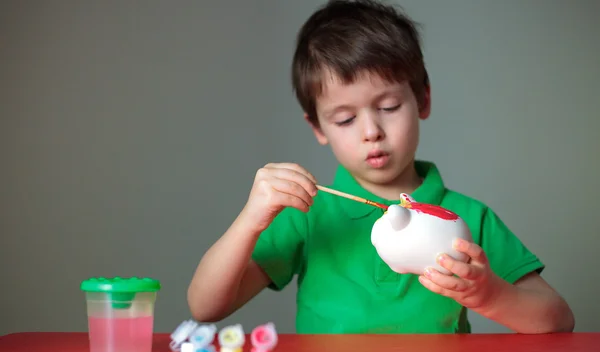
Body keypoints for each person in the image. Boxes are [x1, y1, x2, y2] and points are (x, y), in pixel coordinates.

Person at [187, 0, 574, 334]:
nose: (372, 131)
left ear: (422, 100)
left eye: (388, 108)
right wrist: (251, 219)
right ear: (318, 127)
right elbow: (205, 307)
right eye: (344, 119)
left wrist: (490, 295)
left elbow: (558, 318)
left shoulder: (468, 218)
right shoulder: (307, 214)